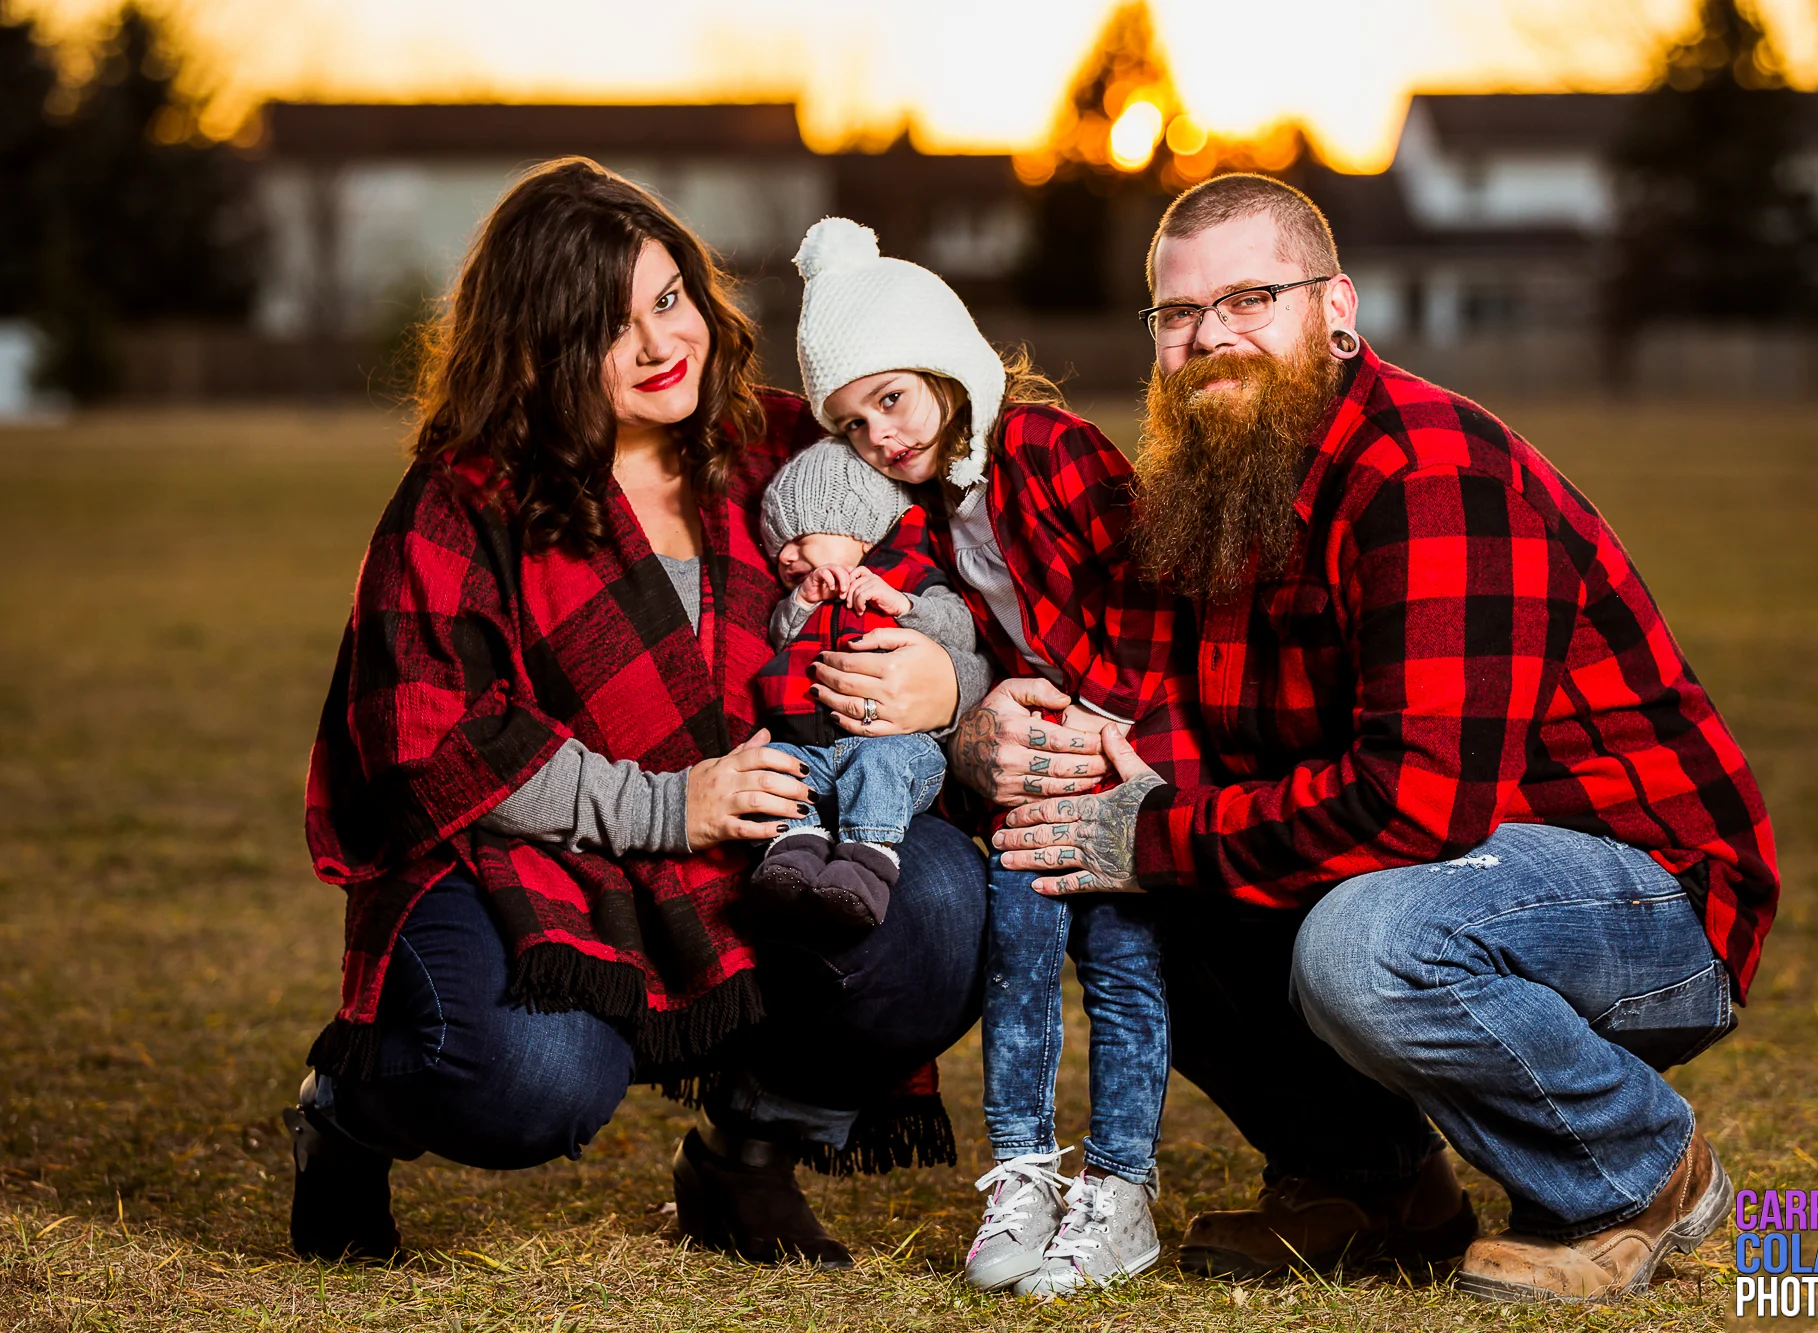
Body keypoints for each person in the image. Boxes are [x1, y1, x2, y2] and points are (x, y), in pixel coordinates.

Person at [992, 173, 1780, 1304]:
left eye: (1250, 298)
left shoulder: (1427, 471)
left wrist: (1153, 829)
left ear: (1336, 306)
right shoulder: (1222, 486)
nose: (1211, 336)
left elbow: (1416, 807)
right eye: (1177, 314)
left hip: (1644, 903)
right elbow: (1163, 731)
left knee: (1358, 943)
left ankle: (1635, 1173)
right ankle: (1371, 1186)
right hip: (1450, 877)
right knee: (1118, 875)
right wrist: (1013, 733)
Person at [287, 159, 994, 1270]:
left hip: (775, 840)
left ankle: (743, 1161)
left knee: (947, 903)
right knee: (529, 1080)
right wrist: (669, 803)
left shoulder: (785, 447)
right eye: (608, 328)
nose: (663, 345)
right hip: (547, 856)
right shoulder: (467, 496)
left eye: (670, 300)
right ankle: (347, 1116)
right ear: (537, 347)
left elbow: (949, 562)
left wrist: (944, 685)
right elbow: (422, 739)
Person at [789, 217, 1196, 1296]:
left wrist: (1103, 718)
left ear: (944, 365)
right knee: (1017, 954)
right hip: (1024, 768)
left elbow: (1150, 587)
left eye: (890, 398)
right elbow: (949, 638)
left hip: (1113, 755)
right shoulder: (920, 512)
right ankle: (1022, 1174)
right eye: (849, 421)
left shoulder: (1050, 450)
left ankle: (1120, 1188)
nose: (877, 433)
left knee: (1117, 960)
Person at [748, 438, 975, 925]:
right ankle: (795, 848)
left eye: (800, 538)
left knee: (881, 762)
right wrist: (803, 604)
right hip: (812, 750)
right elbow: (781, 638)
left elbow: (962, 629)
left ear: (863, 531)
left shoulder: (914, 576)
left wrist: (906, 605)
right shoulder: (804, 595)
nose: (785, 557)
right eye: (778, 550)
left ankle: (866, 860)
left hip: (894, 745)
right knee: (775, 764)